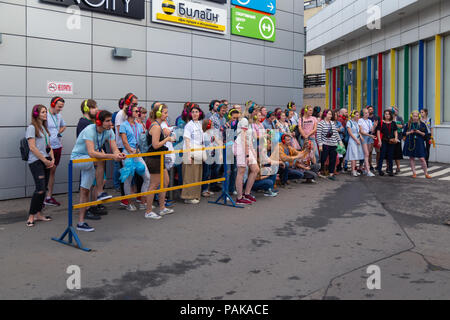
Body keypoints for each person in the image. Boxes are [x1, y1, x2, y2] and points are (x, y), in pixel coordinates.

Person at [71, 110, 126, 231]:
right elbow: (91, 152)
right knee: (99, 158)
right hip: (78, 159)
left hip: (90, 162)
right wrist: (111, 156)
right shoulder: (90, 130)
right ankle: (100, 192)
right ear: (99, 122)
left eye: (110, 120)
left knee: (84, 191)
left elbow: (115, 148)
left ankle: (81, 223)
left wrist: (119, 154)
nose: (110, 123)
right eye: (107, 121)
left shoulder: (109, 131)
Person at [144, 103, 176, 218]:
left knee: (165, 181)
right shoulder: (156, 126)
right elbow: (155, 145)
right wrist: (167, 139)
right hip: (154, 158)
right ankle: (148, 211)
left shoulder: (157, 125)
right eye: (165, 113)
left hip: (159, 158)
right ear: (158, 113)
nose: (167, 115)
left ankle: (162, 207)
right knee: (154, 184)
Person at [76, 99, 106, 220]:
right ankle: (86, 209)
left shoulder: (91, 122)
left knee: (97, 182)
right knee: (86, 186)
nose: (97, 109)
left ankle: (93, 206)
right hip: (88, 157)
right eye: (94, 107)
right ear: (87, 109)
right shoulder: (83, 123)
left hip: (96, 156)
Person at [25, 105, 55, 227]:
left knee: (44, 190)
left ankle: (39, 214)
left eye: (46, 112)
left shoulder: (44, 128)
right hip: (36, 162)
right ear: (36, 114)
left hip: (46, 160)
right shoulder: (32, 128)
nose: (45, 114)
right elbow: (32, 147)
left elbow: (49, 146)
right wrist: (44, 160)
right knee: (40, 189)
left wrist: (51, 158)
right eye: (43, 112)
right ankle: (31, 216)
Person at [119, 103, 150, 211]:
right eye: (136, 111)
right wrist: (131, 151)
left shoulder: (139, 125)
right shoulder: (123, 125)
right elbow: (124, 141)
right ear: (129, 113)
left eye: (139, 111)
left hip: (138, 153)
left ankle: (142, 202)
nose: (138, 113)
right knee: (128, 179)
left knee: (147, 177)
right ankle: (129, 203)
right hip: (128, 154)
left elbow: (141, 141)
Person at [115, 93, 138, 207]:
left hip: (130, 146)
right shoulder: (120, 114)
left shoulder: (128, 115)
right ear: (127, 102)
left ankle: (129, 195)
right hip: (122, 146)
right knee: (125, 173)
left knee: (131, 172)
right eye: (134, 104)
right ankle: (124, 198)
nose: (136, 106)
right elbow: (120, 131)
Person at [234, 105, 259, 205]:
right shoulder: (244, 120)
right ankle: (239, 197)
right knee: (241, 171)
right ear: (251, 111)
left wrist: (253, 153)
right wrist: (247, 155)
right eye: (256, 111)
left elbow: (249, 139)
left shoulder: (249, 121)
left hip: (247, 147)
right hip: (241, 146)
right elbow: (243, 137)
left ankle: (247, 193)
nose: (257, 113)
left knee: (255, 169)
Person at [44, 97, 66, 207]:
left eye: (62, 107)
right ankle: (41, 197)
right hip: (47, 147)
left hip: (58, 146)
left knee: (52, 171)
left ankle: (48, 197)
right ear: (53, 104)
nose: (60, 109)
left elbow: (64, 126)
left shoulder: (59, 116)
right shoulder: (45, 115)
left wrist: (58, 132)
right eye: (59, 106)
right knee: (44, 172)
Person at [181, 104, 205, 204]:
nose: (195, 114)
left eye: (196, 112)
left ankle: (195, 195)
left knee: (197, 175)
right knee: (189, 175)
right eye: (193, 112)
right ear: (190, 114)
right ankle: (188, 196)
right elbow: (187, 140)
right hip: (190, 152)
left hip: (199, 152)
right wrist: (188, 155)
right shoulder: (189, 125)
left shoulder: (200, 124)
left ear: (200, 113)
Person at [403, 111, 432, 179]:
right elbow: (404, 133)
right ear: (411, 116)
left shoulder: (422, 124)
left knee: (422, 158)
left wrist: (419, 132)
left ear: (418, 117)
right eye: (414, 116)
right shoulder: (408, 124)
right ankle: (414, 173)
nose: (415, 118)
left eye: (416, 116)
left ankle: (426, 173)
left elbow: (426, 134)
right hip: (410, 142)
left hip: (419, 142)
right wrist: (410, 132)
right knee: (412, 158)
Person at [317, 109, 343, 181]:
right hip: (325, 143)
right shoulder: (321, 123)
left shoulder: (332, 123)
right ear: (325, 114)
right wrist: (320, 144)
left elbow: (335, 133)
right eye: (329, 114)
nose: (330, 116)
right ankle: (321, 171)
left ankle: (331, 173)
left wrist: (339, 141)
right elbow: (318, 135)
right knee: (323, 158)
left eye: (331, 114)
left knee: (333, 159)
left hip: (333, 143)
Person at [376, 109, 399, 176]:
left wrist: (396, 139)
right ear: (384, 115)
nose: (387, 115)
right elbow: (378, 132)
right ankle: (380, 170)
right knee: (382, 155)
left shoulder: (393, 123)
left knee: (390, 156)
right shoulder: (381, 122)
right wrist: (379, 141)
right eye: (386, 114)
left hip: (391, 142)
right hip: (384, 141)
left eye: (388, 114)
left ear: (390, 115)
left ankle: (390, 170)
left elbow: (395, 131)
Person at [345, 110, 365, 177]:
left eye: (358, 115)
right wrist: (356, 140)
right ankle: (353, 170)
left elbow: (358, 131)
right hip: (353, 140)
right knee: (353, 155)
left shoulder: (357, 123)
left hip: (357, 140)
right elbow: (350, 133)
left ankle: (355, 170)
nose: (358, 116)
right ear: (353, 115)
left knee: (356, 155)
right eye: (356, 115)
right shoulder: (349, 122)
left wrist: (361, 137)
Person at [358, 108, 376, 177]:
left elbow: (371, 130)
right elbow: (361, 131)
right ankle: (368, 171)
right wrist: (369, 135)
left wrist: (374, 126)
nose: (367, 114)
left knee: (367, 154)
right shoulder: (360, 120)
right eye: (365, 113)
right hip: (364, 137)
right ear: (362, 114)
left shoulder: (369, 121)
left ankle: (365, 169)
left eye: (368, 113)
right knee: (366, 154)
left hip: (369, 137)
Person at [112, 98, 125, 192]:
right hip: (119, 143)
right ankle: (117, 185)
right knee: (118, 165)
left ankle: (120, 184)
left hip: (122, 143)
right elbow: (116, 128)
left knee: (122, 166)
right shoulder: (118, 114)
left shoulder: (124, 114)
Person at [391, 106, 404, 174]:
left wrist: (399, 125)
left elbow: (403, 125)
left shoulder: (399, 118)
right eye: (394, 110)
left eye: (396, 110)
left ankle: (398, 167)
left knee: (397, 153)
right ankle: (389, 167)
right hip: (390, 137)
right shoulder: (389, 117)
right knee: (390, 153)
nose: (395, 111)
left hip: (398, 137)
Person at [368, 106, 380, 171]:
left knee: (378, 151)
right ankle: (370, 165)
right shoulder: (366, 118)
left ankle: (378, 165)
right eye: (369, 109)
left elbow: (379, 127)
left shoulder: (376, 117)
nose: (371, 110)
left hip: (376, 136)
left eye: (372, 109)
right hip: (369, 136)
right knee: (370, 152)